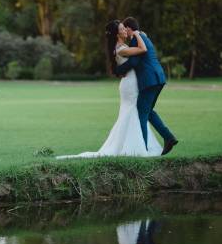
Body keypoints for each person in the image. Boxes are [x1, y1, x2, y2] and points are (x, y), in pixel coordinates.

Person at [56, 19, 162, 159]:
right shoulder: (121, 48)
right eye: (122, 29)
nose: (125, 31)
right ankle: (137, 147)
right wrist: (137, 34)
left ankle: (137, 145)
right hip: (129, 85)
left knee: (134, 112)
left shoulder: (122, 46)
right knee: (132, 112)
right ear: (117, 34)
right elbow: (142, 49)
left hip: (131, 83)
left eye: (125, 28)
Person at [115, 17, 178, 155]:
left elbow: (133, 63)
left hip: (149, 81)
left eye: (124, 28)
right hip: (159, 77)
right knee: (148, 111)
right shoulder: (142, 36)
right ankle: (168, 137)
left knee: (141, 114)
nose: (124, 31)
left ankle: (142, 149)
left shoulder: (135, 40)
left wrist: (118, 70)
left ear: (129, 29)